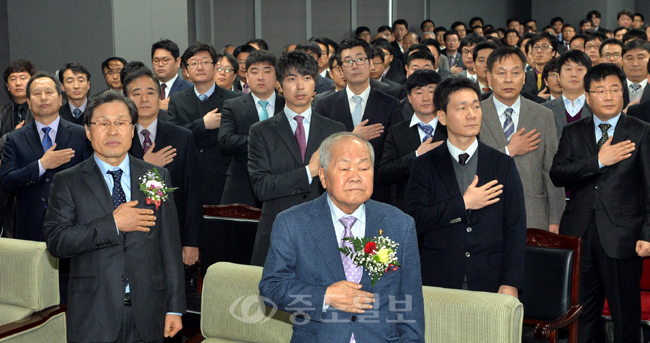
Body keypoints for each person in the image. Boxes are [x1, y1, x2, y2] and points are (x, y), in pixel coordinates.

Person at [43, 91, 185, 342]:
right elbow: (57, 242)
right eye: (103, 123)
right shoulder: (67, 181)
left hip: (150, 310)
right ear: (88, 131)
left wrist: (174, 307)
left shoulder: (155, 176)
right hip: (94, 312)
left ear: (132, 130)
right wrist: (113, 224)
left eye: (120, 122)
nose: (112, 131)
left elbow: (170, 245)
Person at [259, 132, 425, 342]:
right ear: (323, 176)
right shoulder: (292, 223)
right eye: (345, 168)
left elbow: (411, 303)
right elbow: (271, 289)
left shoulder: (399, 224)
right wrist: (326, 296)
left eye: (364, 168)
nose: (355, 176)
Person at [550, 63, 650, 343]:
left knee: (625, 315)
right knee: (583, 314)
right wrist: (598, 161)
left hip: (623, 236)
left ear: (624, 93)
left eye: (615, 90)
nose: (608, 96)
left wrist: (648, 233)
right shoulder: (573, 132)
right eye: (601, 91)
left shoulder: (641, 131)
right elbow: (558, 174)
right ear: (588, 96)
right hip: (580, 234)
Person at [405, 76, 526, 294]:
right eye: (462, 108)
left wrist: (511, 281)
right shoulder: (424, 165)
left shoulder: (502, 164)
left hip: (491, 278)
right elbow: (415, 220)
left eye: (476, 106)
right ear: (442, 116)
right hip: (439, 279)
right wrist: (463, 204)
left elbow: (515, 227)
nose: (471, 115)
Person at [247, 50, 345, 266]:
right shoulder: (261, 131)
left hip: (324, 232)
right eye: (292, 79)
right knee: (271, 299)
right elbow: (261, 187)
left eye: (307, 78)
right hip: (277, 233)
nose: (300, 86)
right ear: (280, 86)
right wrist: (308, 172)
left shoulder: (335, 130)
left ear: (315, 84)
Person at [123, 67, 202, 268]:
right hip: (128, 234)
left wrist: (192, 242)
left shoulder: (182, 136)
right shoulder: (117, 138)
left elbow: (192, 192)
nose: (144, 99)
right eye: (136, 93)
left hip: (171, 231)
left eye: (150, 92)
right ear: (126, 99)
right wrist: (147, 166)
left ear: (160, 96)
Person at [480, 46, 564, 232]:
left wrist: (555, 219)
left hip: (534, 216)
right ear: (489, 77)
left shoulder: (543, 115)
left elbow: (551, 171)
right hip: (485, 215)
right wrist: (509, 151)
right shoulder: (475, 113)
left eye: (515, 72)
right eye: (501, 73)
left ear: (524, 77)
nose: (509, 79)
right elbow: (468, 165)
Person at [0, 71, 90, 241]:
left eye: (49, 92)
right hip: (30, 226)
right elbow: (6, 181)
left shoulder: (81, 135)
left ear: (60, 98)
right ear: (28, 101)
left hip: (72, 223)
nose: (43, 97)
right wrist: (41, 165)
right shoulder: (14, 138)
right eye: (36, 93)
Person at [314, 38, 401, 204]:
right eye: (348, 61)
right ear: (340, 69)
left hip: (380, 191)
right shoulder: (325, 105)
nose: (355, 65)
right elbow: (320, 150)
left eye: (360, 59)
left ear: (370, 63)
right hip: (337, 192)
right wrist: (354, 137)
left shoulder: (391, 104)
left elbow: (394, 155)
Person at [168, 42, 240, 205]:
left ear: (215, 67)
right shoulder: (177, 101)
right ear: (185, 71)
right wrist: (202, 125)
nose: (200, 67)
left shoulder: (234, 100)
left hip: (223, 180)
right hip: (188, 178)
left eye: (205, 62)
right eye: (194, 63)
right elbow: (173, 138)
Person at [219, 49, 284, 207]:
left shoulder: (287, 105)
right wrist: (263, 140)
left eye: (267, 71)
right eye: (254, 72)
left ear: (276, 75)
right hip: (241, 185)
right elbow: (226, 141)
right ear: (246, 76)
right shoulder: (232, 105)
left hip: (281, 184)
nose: (261, 77)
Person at [379, 69, 445, 210]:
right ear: (409, 97)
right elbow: (385, 174)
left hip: (446, 207)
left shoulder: (451, 129)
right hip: (408, 209)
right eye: (419, 92)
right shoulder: (396, 132)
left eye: (431, 91)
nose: (426, 98)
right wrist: (417, 155)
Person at [543, 50, 593, 140]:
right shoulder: (543, 111)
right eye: (568, 69)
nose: (574, 74)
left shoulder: (599, 109)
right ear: (558, 76)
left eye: (580, 69)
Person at [151, 39, 193, 111]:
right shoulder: (147, 89)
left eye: (165, 60)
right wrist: (157, 109)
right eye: (156, 61)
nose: (160, 64)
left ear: (178, 61)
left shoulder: (190, 89)